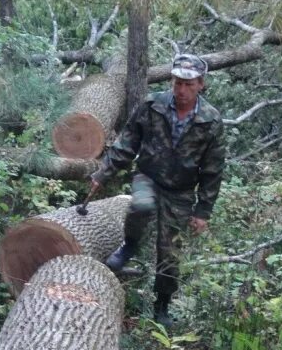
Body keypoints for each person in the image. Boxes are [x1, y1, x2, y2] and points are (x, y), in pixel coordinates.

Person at [88, 53, 225, 328]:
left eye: (189, 84)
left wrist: (203, 211)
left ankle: (161, 306)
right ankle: (129, 245)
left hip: (181, 191)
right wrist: (104, 173)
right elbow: (128, 142)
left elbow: (212, 170)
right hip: (148, 176)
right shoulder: (153, 105)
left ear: (201, 84)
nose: (182, 89)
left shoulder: (210, 120)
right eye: (177, 83)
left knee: (170, 253)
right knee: (141, 206)